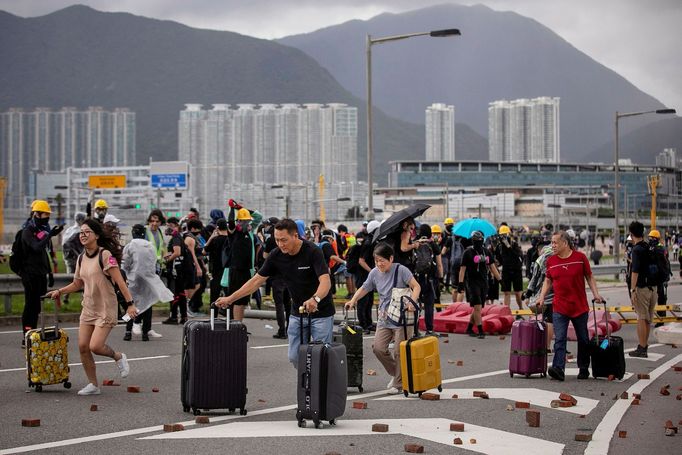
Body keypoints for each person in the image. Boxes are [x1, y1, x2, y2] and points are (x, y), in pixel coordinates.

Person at [216, 219, 332, 366]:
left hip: (321, 312)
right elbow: (256, 281)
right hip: (298, 313)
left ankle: (321, 387)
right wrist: (230, 298)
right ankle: (309, 385)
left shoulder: (313, 251)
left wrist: (315, 299)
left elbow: (325, 281)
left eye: (284, 240)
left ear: (295, 236)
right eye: (277, 240)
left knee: (321, 357)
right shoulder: (276, 255)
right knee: (295, 357)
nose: (280, 244)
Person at [47, 219, 137, 395]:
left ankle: (118, 356)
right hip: (88, 307)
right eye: (81, 232)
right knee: (82, 346)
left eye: (87, 232)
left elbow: (120, 282)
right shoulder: (81, 258)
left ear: (96, 235)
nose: (83, 235)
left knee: (95, 346)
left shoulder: (105, 255)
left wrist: (130, 305)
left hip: (106, 307)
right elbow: (77, 284)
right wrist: (60, 291)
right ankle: (93, 385)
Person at [345, 242, 421, 394]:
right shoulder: (374, 273)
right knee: (378, 348)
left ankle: (398, 384)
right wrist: (353, 300)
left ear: (391, 258)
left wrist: (412, 302)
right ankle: (398, 374)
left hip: (402, 317)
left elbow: (416, 286)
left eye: (382, 260)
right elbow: (365, 287)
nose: (379, 264)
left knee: (400, 351)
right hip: (384, 318)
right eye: (376, 260)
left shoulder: (401, 270)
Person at [536, 231, 604, 381]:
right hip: (560, 307)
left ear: (565, 243)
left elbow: (589, 277)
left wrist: (596, 294)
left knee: (583, 339)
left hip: (579, 307)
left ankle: (584, 368)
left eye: (555, 242)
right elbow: (548, 281)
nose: (552, 245)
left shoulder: (580, 258)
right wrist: (541, 298)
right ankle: (558, 368)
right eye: (551, 242)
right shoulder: (551, 261)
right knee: (559, 339)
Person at [18, 200, 64, 343]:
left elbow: (43, 253)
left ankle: (33, 333)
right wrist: (49, 235)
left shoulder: (42, 230)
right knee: (30, 305)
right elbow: (36, 247)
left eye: (48, 215)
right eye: (45, 215)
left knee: (37, 306)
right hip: (29, 274)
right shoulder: (27, 230)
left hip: (40, 274)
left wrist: (49, 273)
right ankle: (26, 335)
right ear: (36, 214)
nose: (47, 217)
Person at [122, 224, 172, 341]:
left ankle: (128, 331)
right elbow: (154, 262)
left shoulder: (129, 246)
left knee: (131, 305)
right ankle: (145, 332)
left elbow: (125, 264)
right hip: (148, 280)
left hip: (133, 279)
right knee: (147, 304)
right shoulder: (150, 246)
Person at [458, 231, 501, 338]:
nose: (478, 243)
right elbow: (462, 270)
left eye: (480, 241)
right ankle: (480, 330)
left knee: (479, 307)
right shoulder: (467, 252)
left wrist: (500, 280)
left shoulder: (486, 252)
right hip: (472, 283)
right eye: (476, 241)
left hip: (484, 282)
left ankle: (469, 328)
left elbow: (492, 267)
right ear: (473, 241)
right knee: (477, 306)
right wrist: (460, 283)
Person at [224, 205, 262, 321]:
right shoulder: (234, 232)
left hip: (247, 269)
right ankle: (235, 325)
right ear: (239, 221)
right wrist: (232, 209)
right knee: (236, 299)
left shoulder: (250, 231)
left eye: (248, 221)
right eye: (244, 221)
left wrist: (241, 208)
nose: (247, 223)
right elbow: (230, 222)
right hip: (236, 269)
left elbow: (258, 216)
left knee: (243, 299)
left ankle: (239, 325)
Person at [627, 222, 658, 358]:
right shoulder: (649, 247)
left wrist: (633, 290)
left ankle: (642, 348)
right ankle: (644, 347)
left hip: (642, 288)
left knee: (641, 318)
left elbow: (635, 271)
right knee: (647, 319)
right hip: (653, 288)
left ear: (632, 234)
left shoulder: (636, 249)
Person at [161, 217, 194, 325]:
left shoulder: (175, 237)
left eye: (170, 225)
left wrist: (167, 260)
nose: (168, 228)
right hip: (181, 270)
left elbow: (177, 252)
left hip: (176, 270)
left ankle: (174, 316)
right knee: (181, 293)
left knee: (174, 293)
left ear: (175, 226)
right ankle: (183, 316)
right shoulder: (179, 237)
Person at [523, 245, 555, 352]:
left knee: (548, 319)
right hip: (559, 292)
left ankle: (546, 346)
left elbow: (534, 278)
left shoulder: (540, 260)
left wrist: (528, 293)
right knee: (557, 320)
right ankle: (558, 346)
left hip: (545, 292)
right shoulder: (557, 257)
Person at [413, 224, 443, 336]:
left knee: (415, 303)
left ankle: (415, 330)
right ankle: (429, 330)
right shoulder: (433, 245)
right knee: (429, 304)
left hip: (416, 279)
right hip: (431, 278)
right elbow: (439, 264)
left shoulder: (415, 243)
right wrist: (440, 278)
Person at [357, 220, 382, 333]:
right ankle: (363, 325)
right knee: (363, 301)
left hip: (369, 276)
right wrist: (372, 271)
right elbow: (361, 261)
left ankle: (369, 323)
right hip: (363, 276)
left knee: (369, 300)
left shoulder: (373, 241)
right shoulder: (368, 243)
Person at [495, 225, 525, 310]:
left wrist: (509, 246)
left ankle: (521, 308)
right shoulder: (499, 246)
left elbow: (518, 256)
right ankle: (506, 311)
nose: (503, 237)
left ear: (509, 234)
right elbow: (499, 260)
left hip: (516, 270)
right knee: (506, 292)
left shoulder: (514, 243)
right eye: (502, 235)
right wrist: (497, 263)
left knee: (518, 292)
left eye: (505, 234)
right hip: (506, 271)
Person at [203, 218, 230, 305]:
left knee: (214, 294)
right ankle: (229, 314)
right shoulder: (231, 239)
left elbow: (204, 251)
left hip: (216, 270)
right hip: (228, 270)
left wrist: (211, 238)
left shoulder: (215, 240)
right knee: (228, 293)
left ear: (217, 228)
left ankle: (213, 315)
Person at [648, 229, 671, 328]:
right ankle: (660, 319)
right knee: (660, 298)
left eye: (652, 238)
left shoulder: (658, 248)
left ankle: (661, 320)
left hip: (660, 277)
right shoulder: (660, 247)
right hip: (659, 276)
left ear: (656, 238)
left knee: (661, 298)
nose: (650, 240)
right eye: (649, 238)